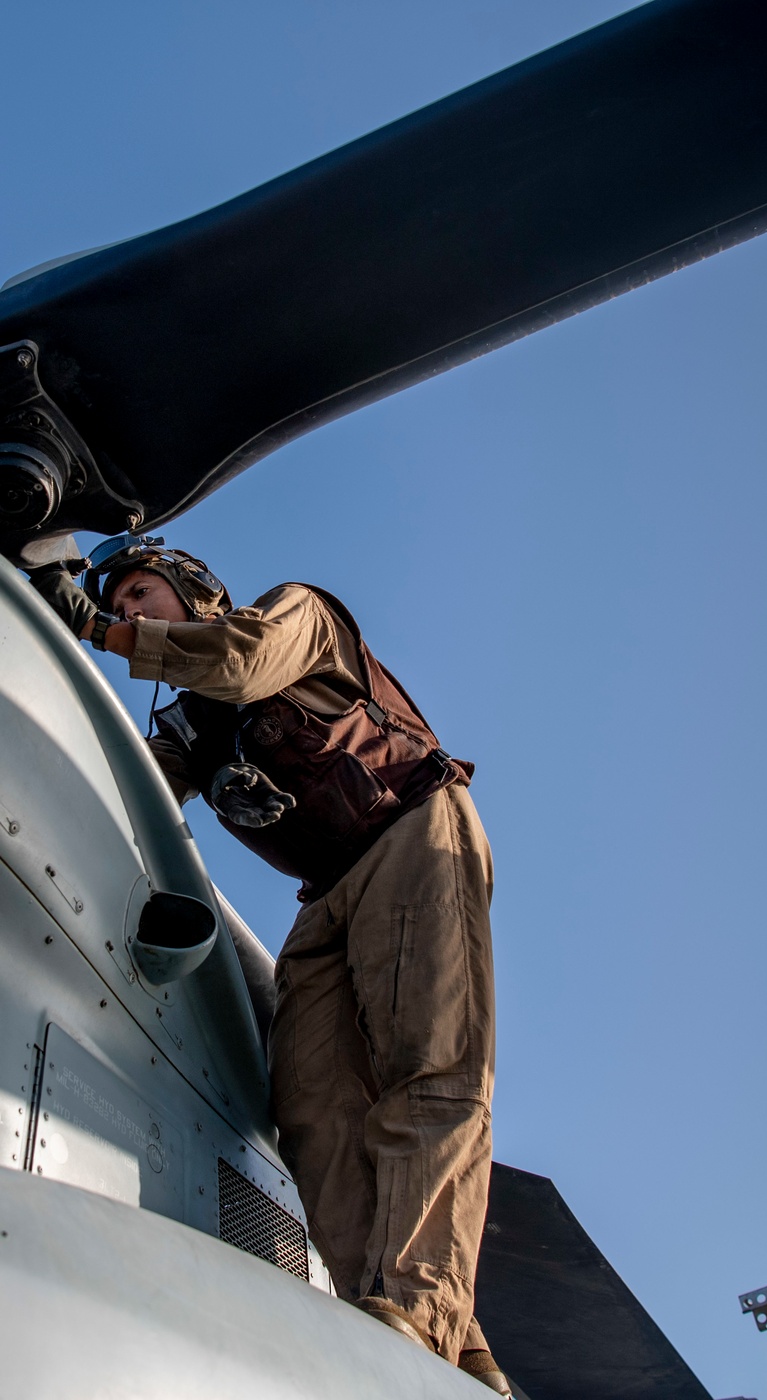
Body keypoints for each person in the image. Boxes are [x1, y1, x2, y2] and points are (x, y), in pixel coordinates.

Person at [28, 539, 509, 1396]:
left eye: (144, 593)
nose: (133, 610)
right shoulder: (185, 733)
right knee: (311, 1108)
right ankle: (433, 1343)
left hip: (410, 831)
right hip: (325, 893)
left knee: (427, 1069)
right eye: (123, 602)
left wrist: (101, 628)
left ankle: (417, 1308)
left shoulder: (296, 618)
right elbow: (119, 789)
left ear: (197, 590)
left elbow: (243, 665)